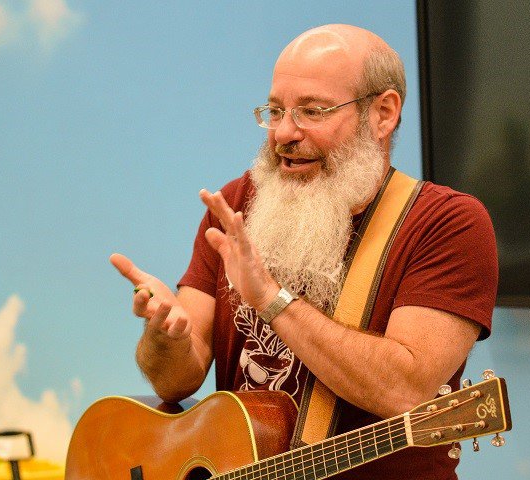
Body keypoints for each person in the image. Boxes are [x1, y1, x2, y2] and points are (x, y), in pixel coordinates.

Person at [110, 24, 498, 480]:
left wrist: (272, 299)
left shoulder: (448, 223)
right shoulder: (236, 206)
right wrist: (164, 336)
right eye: (275, 111)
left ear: (383, 113)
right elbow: (175, 380)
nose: (283, 134)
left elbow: (405, 390)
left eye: (312, 111)